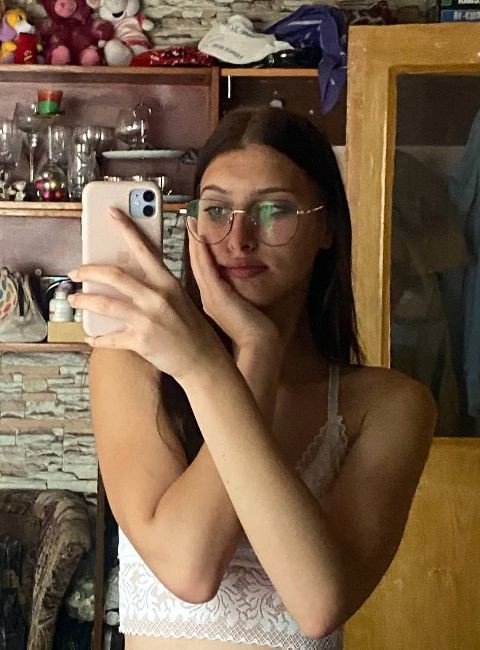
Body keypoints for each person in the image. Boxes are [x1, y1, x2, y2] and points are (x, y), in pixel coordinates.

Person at [67, 107, 437, 649]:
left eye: (274, 209)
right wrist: (242, 359)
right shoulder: (130, 364)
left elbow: (318, 604)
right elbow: (190, 570)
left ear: (327, 226)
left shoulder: (388, 406)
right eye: (217, 209)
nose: (238, 238)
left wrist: (241, 356)